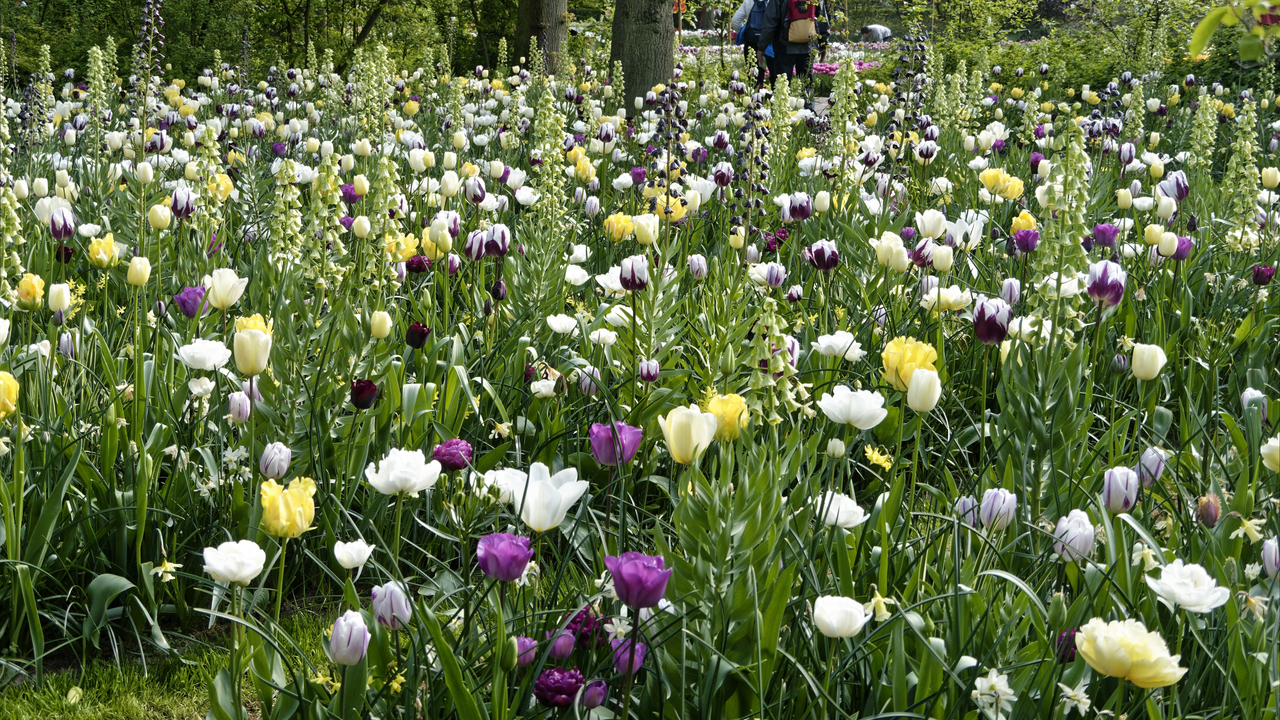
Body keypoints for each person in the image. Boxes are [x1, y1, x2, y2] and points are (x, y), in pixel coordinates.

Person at [757, 0, 828, 87]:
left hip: (784, 47)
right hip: (808, 46)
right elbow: (822, 20)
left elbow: (770, 23)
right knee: (806, 85)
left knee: (782, 85)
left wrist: (762, 47)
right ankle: (807, 96)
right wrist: (823, 44)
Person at [731, 0, 768, 86]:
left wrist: (745, 33)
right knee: (775, 76)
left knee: (753, 76)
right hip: (768, 42)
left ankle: (755, 92)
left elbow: (735, 21)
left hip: (751, 41)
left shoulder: (748, 1)